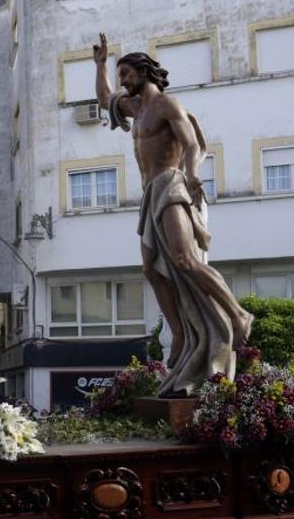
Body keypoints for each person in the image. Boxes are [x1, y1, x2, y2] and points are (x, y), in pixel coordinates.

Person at [94, 33, 253, 396]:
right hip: (150, 192)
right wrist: (100, 65)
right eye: (120, 76)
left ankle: (238, 314)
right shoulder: (135, 109)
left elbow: (193, 142)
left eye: (126, 74)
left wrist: (194, 172)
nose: (123, 82)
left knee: (183, 258)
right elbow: (104, 100)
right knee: (151, 269)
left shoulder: (166, 105)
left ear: (144, 72)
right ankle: (180, 334)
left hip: (171, 185)